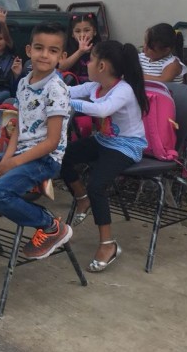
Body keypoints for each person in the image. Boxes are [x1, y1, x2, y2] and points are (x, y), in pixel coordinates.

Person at [0, 22, 72, 260]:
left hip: (44, 159)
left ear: (62, 56)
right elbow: (18, 127)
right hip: (20, 154)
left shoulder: (56, 90)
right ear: (29, 50)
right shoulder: (24, 82)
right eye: (39, 48)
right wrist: (8, 159)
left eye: (52, 51)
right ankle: (21, 182)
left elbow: (51, 142)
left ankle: (51, 226)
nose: (44, 55)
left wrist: (14, 164)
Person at [62, 40, 149, 273]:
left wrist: (64, 102)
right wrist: (42, 87)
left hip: (126, 147)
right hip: (104, 141)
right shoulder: (94, 86)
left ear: (101, 66)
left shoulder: (124, 90)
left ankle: (108, 244)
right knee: (62, 155)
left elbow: (102, 110)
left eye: (89, 59)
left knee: (97, 185)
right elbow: (68, 91)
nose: (86, 63)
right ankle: (82, 197)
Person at [59, 12, 101, 84]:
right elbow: (62, 68)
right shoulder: (68, 48)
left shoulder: (100, 48)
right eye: (77, 31)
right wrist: (80, 51)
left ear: (94, 32)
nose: (82, 34)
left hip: (94, 85)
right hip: (74, 85)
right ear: (72, 34)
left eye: (87, 30)